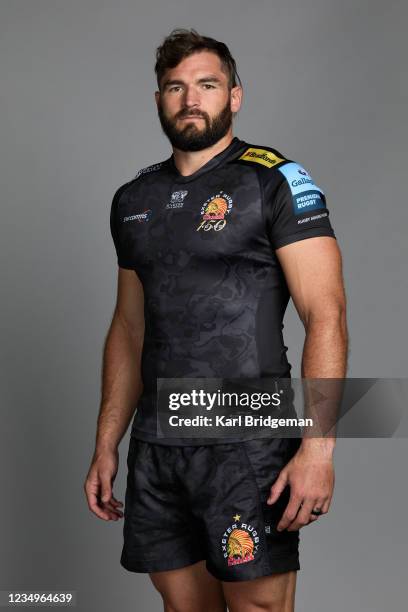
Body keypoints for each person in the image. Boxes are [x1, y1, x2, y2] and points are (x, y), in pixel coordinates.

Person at [84, 28, 348, 612]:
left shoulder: (275, 179)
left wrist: (318, 450)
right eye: (174, 87)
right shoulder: (133, 199)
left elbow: (325, 315)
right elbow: (128, 329)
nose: (190, 99)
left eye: (206, 85)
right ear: (159, 100)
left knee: (258, 605)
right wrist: (107, 443)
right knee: (184, 607)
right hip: (158, 442)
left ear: (234, 95)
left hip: (248, 440)